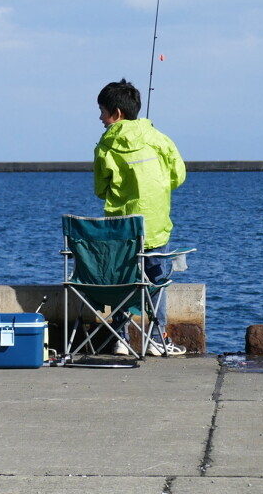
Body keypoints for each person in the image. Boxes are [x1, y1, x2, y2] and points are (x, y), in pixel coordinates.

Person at [94, 79, 187, 356]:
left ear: (117, 114)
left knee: (123, 281)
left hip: (122, 231)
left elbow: (101, 190)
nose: (100, 117)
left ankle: (121, 338)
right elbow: (178, 176)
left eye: (102, 111)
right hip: (156, 228)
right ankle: (157, 337)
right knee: (157, 282)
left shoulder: (105, 146)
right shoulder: (160, 139)